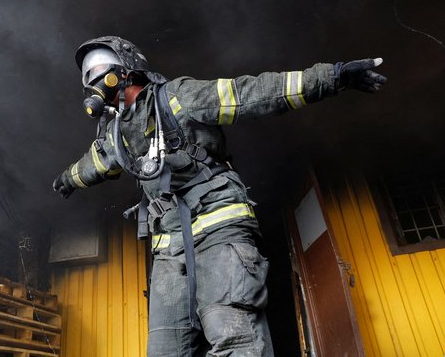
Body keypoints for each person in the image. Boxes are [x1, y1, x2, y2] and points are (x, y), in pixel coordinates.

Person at [53, 36, 387, 356]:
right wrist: (69, 178)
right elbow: (98, 161)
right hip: (170, 247)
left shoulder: (177, 97)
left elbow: (251, 93)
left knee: (233, 335)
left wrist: (333, 76)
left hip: (219, 227)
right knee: (166, 350)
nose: (92, 82)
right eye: (87, 77)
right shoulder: (116, 132)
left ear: (126, 68)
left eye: (98, 71)